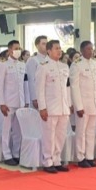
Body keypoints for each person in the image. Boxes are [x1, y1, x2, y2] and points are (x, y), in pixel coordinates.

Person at [36, 40, 71, 173]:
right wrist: (42, 108)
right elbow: (39, 89)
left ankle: (57, 160)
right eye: (56, 48)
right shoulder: (43, 66)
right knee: (49, 136)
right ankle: (48, 161)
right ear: (49, 51)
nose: (59, 51)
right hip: (50, 108)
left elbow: (67, 88)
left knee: (60, 136)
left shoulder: (64, 66)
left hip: (63, 107)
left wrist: (69, 104)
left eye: (60, 48)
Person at [0, 40, 29, 166]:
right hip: (8, 103)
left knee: (18, 130)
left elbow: (24, 85)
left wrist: (26, 101)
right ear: (10, 50)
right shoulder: (3, 65)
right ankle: (7, 154)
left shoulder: (22, 65)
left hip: (20, 102)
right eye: (16, 48)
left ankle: (16, 153)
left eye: (19, 48)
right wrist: (1, 103)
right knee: (6, 130)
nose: (18, 50)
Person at [70, 41, 96, 168]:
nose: (91, 51)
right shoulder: (77, 64)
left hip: (93, 103)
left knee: (91, 132)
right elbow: (74, 87)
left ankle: (89, 156)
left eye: (92, 49)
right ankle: (81, 157)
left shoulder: (95, 64)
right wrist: (78, 106)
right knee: (81, 132)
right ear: (82, 50)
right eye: (88, 49)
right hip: (83, 104)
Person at [26, 36, 48, 110]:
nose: (46, 46)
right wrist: (34, 97)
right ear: (37, 46)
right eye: (43, 44)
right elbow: (31, 80)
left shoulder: (50, 59)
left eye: (47, 43)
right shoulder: (33, 60)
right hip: (38, 96)